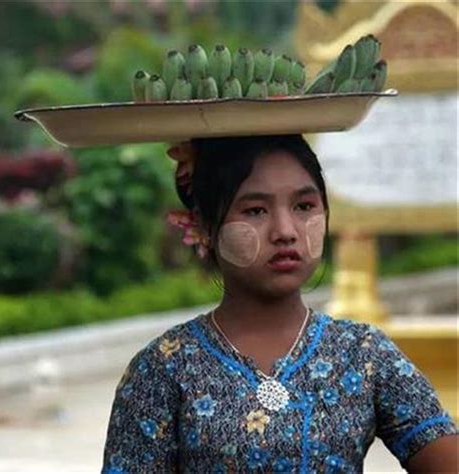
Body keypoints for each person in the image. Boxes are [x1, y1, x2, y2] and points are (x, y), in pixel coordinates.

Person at [101, 134, 457, 473]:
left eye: (304, 206)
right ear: (206, 227)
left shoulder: (363, 353)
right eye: (256, 211)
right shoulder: (164, 368)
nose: (286, 230)